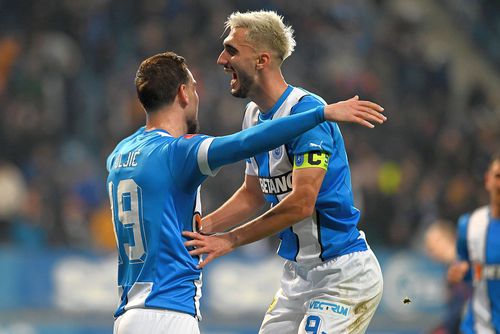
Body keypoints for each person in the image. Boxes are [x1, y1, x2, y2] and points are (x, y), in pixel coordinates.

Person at [107, 51, 385, 334]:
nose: (222, 60)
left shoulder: (120, 154)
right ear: (183, 94)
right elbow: (246, 143)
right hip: (168, 314)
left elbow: (251, 194)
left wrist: (206, 227)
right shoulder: (180, 152)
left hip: (128, 315)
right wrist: (321, 114)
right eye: (194, 87)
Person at [183, 10, 384, 334]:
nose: (221, 59)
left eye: (231, 49)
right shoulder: (252, 115)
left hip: (343, 274)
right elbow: (252, 194)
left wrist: (230, 240)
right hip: (297, 276)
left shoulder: (308, 114)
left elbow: (302, 203)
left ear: (262, 60)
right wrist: (202, 230)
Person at [447, 152, 500, 333]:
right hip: (477, 326)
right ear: (488, 180)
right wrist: (460, 272)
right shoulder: (470, 224)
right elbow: (471, 270)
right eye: (498, 176)